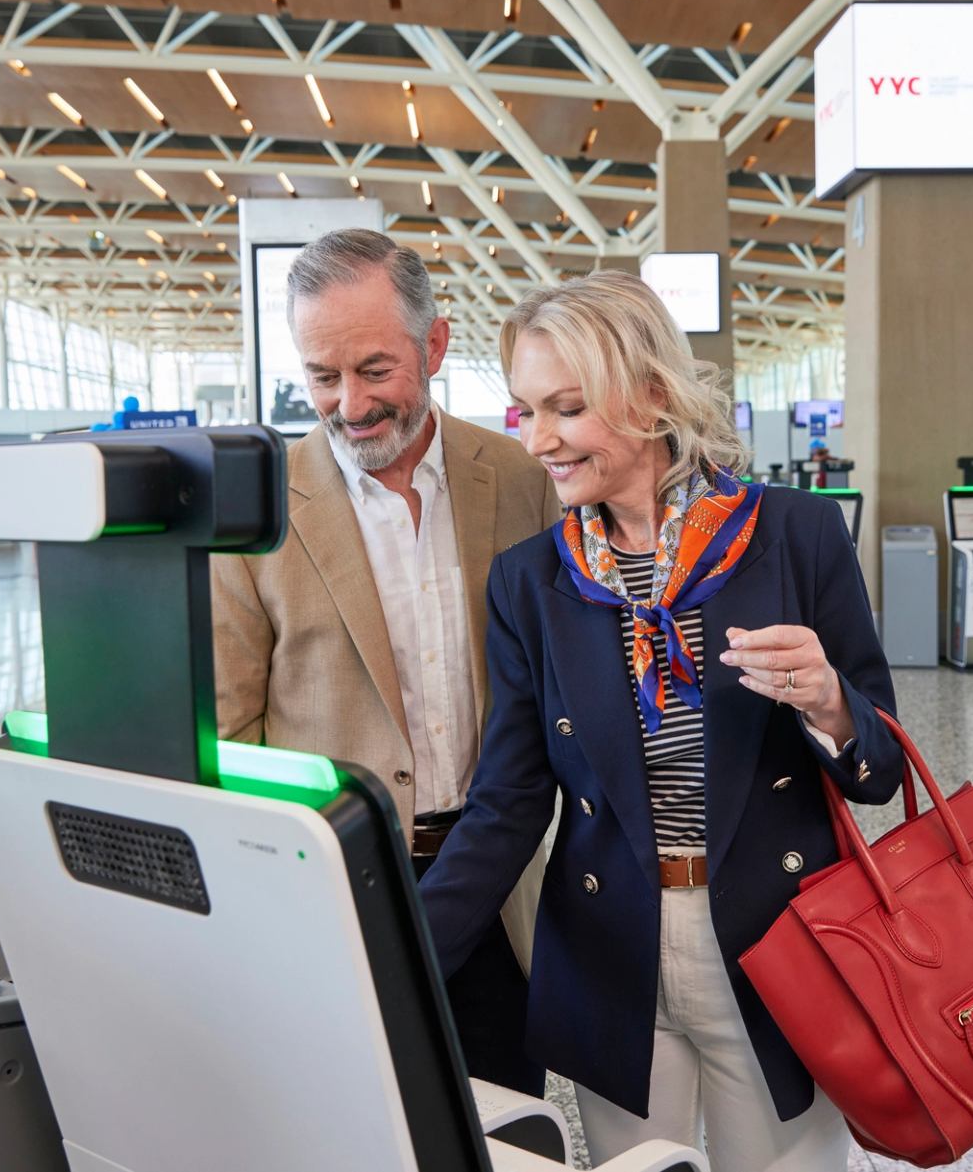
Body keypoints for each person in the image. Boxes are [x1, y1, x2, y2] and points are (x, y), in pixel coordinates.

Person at [419, 272, 903, 1172]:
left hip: (777, 949)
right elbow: (510, 802)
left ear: (650, 394)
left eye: (566, 408)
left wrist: (829, 699)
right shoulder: (535, 581)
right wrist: (399, 957)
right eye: (526, 410)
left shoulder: (794, 536)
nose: (540, 441)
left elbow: (879, 771)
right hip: (614, 955)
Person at [209, 228, 558, 1093]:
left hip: (494, 884)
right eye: (321, 376)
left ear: (434, 345)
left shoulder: (519, 479)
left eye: (374, 370)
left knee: (505, 1126)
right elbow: (223, 733)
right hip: (334, 890)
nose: (349, 405)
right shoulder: (256, 514)